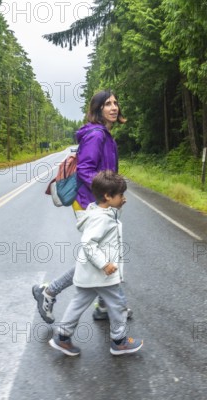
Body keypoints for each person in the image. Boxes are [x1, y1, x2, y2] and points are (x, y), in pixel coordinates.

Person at [32, 90, 131, 324]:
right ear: (98, 110)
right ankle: (49, 292)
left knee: (104, 252)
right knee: (93, 256)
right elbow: (86, 170)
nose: (114, 107)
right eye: (107, 104)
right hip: (89, 202)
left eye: (116, 103)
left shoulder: (105, 135)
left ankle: (106, 304)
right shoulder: (96, 135)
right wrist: (107, 194)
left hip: (100, 200)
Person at [49, 170, 143, 356]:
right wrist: (104, 264)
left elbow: (110, 224)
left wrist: (118, 207)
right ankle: (119, 341)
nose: (123, 198)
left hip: (89, 274)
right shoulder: (101, 218)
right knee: (118, 305)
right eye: (120, 195)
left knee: (78, 303)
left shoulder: (99, 211)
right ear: (108, 196)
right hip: (102, 275)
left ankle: (62, 337)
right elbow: (88, 243)